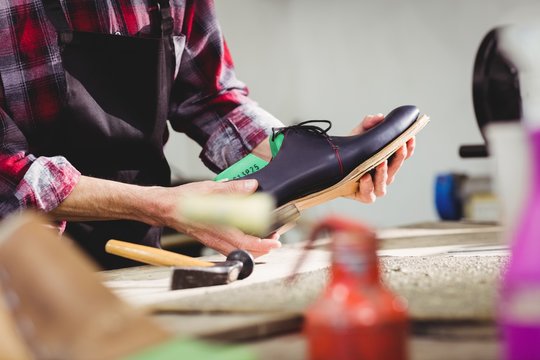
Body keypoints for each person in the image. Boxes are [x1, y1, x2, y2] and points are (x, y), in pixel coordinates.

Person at [0, 0, 415, 269]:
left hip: (137, 251)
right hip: (20, 266)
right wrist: (161, 205)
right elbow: (7, 170)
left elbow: (210, 98)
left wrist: (311, 168)